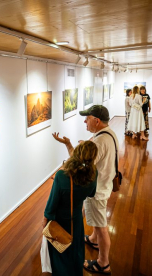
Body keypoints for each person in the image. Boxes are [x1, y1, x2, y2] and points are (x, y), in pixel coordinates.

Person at [52, 105, 117, 275]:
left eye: (87, 118)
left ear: (96, 120)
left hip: (98, 190)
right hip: (104, 184)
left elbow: (79, 164)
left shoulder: (99, 142)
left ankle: (103, 263)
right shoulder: (109, 134)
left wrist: (69, 146)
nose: (84, 121)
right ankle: (94, 239)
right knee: (97, 222)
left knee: (102, 227)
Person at [43, 141, 98, 276]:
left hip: (60, 222)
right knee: (76, 250)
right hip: (77, 221)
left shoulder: (62, 176)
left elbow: (51, 206)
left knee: (60, 254)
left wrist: (45, 223)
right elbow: (91, 193)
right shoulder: (93, 173)